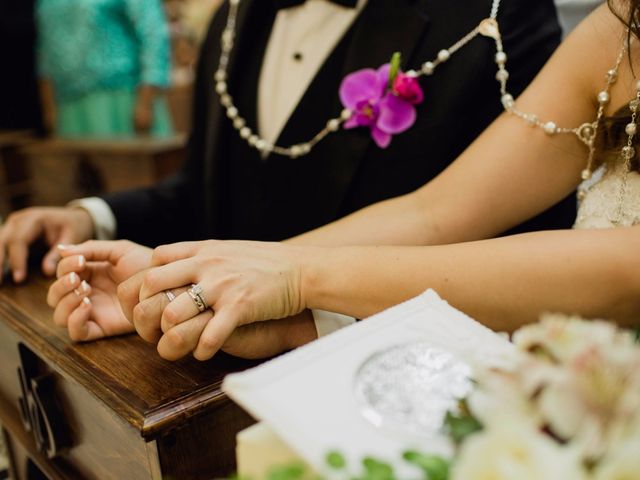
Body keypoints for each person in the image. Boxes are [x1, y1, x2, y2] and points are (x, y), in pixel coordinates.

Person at [46, 0, 640, 362]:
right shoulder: (616, 29)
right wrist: (181, 280)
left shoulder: (487, 17)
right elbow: (436, 210)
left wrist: (302, 282)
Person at [35, 0, 173, 137]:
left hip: (121, 100)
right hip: (67, 106)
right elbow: (46, 49)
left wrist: (146, 101)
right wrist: (48, 106)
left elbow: (153, 34)